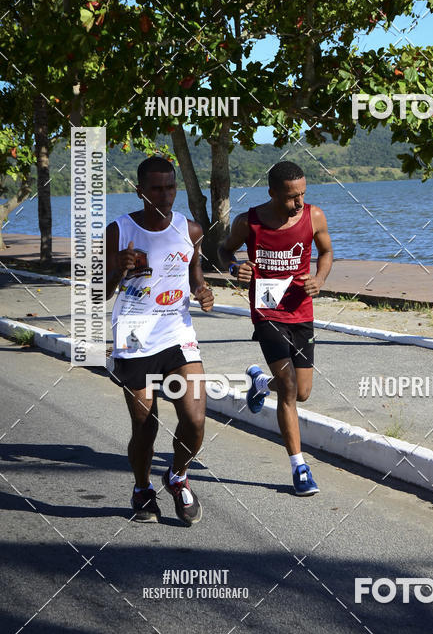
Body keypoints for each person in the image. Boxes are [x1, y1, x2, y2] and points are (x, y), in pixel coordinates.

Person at [105, 156, 214, 525]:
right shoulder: (119, 231)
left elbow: (194, 273)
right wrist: (117, 270)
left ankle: (177, 476)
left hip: (177, 334)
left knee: (195, 420)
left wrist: (202, 291)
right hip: (134, 338)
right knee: (145, 426)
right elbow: (96, 293)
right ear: (140, 191)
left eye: (170, 187)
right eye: (156, 188)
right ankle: (141, 488)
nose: (165, 195)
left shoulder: (191, 230)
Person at [218, 161, 333, 496]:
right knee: (288, 387)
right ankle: (300, 468)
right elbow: (224, 250)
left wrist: (320, 278)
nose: (298, 202)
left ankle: (258, 383)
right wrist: (234, 267)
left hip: (301, 310)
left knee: (302, 391)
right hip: (267, 312)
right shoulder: (249, 222)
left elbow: (326, 252)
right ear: (272, 193)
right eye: (291, 197)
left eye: (302, 194)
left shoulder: (314, 216)